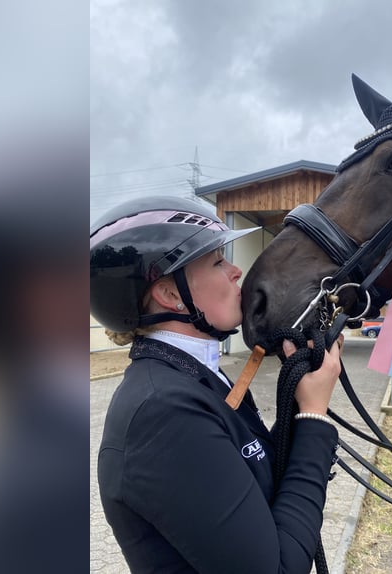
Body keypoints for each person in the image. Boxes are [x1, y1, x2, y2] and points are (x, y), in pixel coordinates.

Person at [91, 196, 342, 574]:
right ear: (171, 294)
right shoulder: (164, 413)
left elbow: (258, 479)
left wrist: (298, 394)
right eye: (217, 262)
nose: (236, 271)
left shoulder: (192, 377)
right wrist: (313, 416)